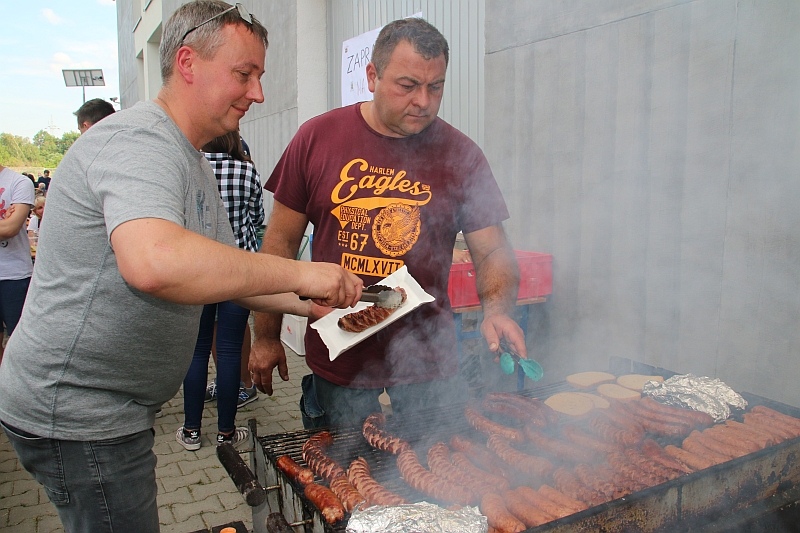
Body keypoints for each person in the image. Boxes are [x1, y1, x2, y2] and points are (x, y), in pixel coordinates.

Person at [0, 2, 362, 532]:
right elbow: (154, 262)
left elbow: (236, 279)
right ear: (188, 63)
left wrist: (326, 302)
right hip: (78, 414)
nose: (257, 94)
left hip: (113, 411)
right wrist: (304, 274)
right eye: (245, 74)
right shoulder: (139, 140)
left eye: (260, 77)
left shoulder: (191, 159)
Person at [250, 17, 524, 429]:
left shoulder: (461, 154)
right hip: (339, 347)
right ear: (372, 76)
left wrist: (498, 309)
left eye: (436, 86)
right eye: (408, 85)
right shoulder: (317, 138)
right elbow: (280, 244)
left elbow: (493, 250)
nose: (424, 102)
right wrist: (267, 336)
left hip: (428, 357)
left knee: (437, 466)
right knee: (343, 472)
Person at [178, 130, 264, 450]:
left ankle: (191, 431)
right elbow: (257, 219)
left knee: (197, 351)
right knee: (229, 352)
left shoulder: (190, 167)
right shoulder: (246, 170)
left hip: (197, 272)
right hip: (237, 271)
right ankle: (226, 433)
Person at [0, 164, 35, 364]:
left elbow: (11, 228)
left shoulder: (19, 182)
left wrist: (8, 224)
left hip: (14, 276)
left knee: (20, 343)